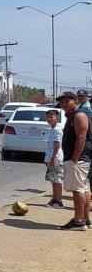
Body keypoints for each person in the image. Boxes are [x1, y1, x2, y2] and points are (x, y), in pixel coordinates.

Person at [56, 92, 91, 231]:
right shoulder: (73, 116)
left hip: (78, 159)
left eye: (67, 101)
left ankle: (78, 221)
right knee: (84, 188)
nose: (64, 103)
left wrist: (75, 158)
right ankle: (86, 219)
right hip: (80, 159)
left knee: (77, 190)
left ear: (75, 101)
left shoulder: (79, 115)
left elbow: (81, 138)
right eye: (62, 102)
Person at [44, 109, 65, 209]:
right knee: (53, 179)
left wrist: (53, 159)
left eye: (51, 117)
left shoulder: (57, 129)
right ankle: (54, 198)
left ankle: (59, 201)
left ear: (57, 118)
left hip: (56, 158)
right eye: (48, 117)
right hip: (51, 158)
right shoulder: (52, 129)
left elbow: (57, 144)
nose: (49, 119)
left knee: (57, 180)